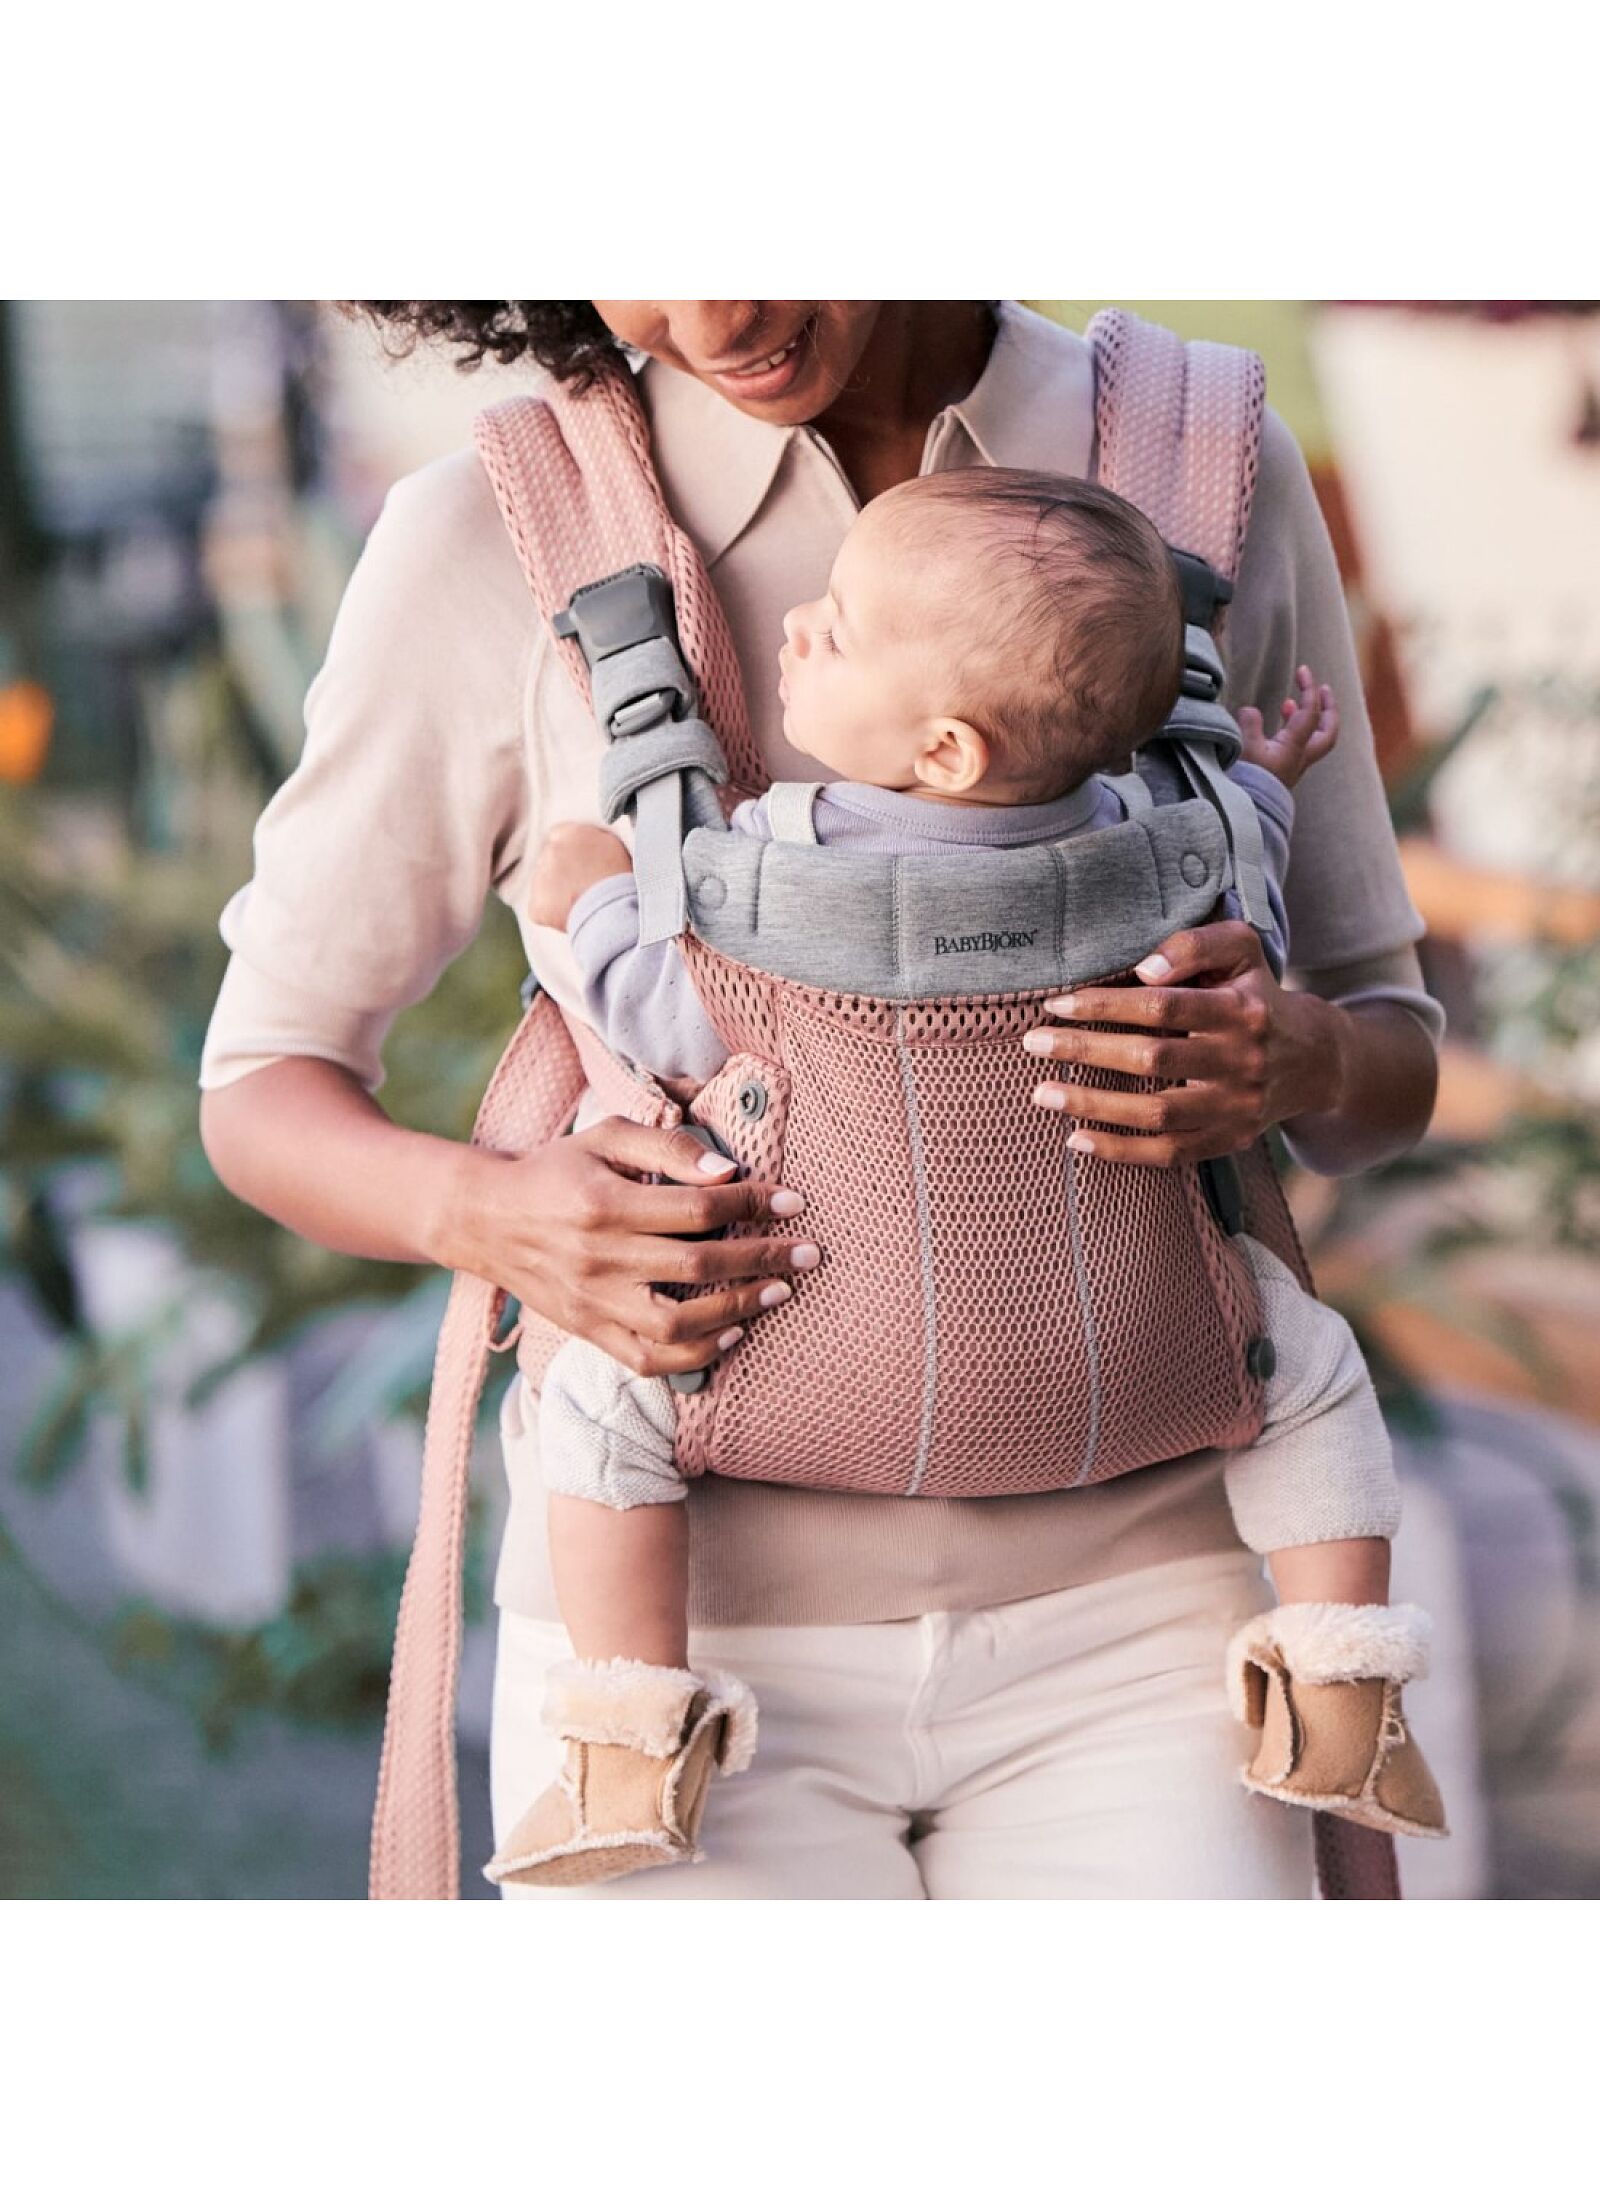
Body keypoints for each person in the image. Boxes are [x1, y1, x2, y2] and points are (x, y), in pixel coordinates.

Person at [200, 301, 1442, 1899]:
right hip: (680, 1660)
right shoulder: (496, 532)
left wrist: (1300, 1059)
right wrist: (497, 1218)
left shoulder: (1194, 469)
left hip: (1158, 1638)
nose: (711, 307)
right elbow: (262, 1084)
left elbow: (1384, 1060)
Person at [482, 467, 1443, 1889]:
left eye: (841, 627)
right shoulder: (1161, 859)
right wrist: (1260, 785)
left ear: (939, 749)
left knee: (602, 1409)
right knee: (1307, 1377)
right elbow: (1251, 878)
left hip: (797, 1351)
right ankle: (1335, 1676)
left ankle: (629, 1721)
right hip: (1132, 1359)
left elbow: (670, 1023)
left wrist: (588, 897)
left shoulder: (765, 875)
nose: (801, 625)